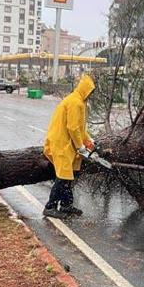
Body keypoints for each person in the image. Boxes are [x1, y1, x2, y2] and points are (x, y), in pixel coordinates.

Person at [42, 74, 96, 218]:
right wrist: (80, 146)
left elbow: (80, 128)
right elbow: (72, 128)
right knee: (63, 177)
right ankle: (50, 207)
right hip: (61, 144)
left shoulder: (79, 102)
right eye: (90, 91)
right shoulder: (75, 103)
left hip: (67, 144)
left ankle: (66, 205)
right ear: (85, 90)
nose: (90, 94)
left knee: (70, 177)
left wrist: (89, 141)